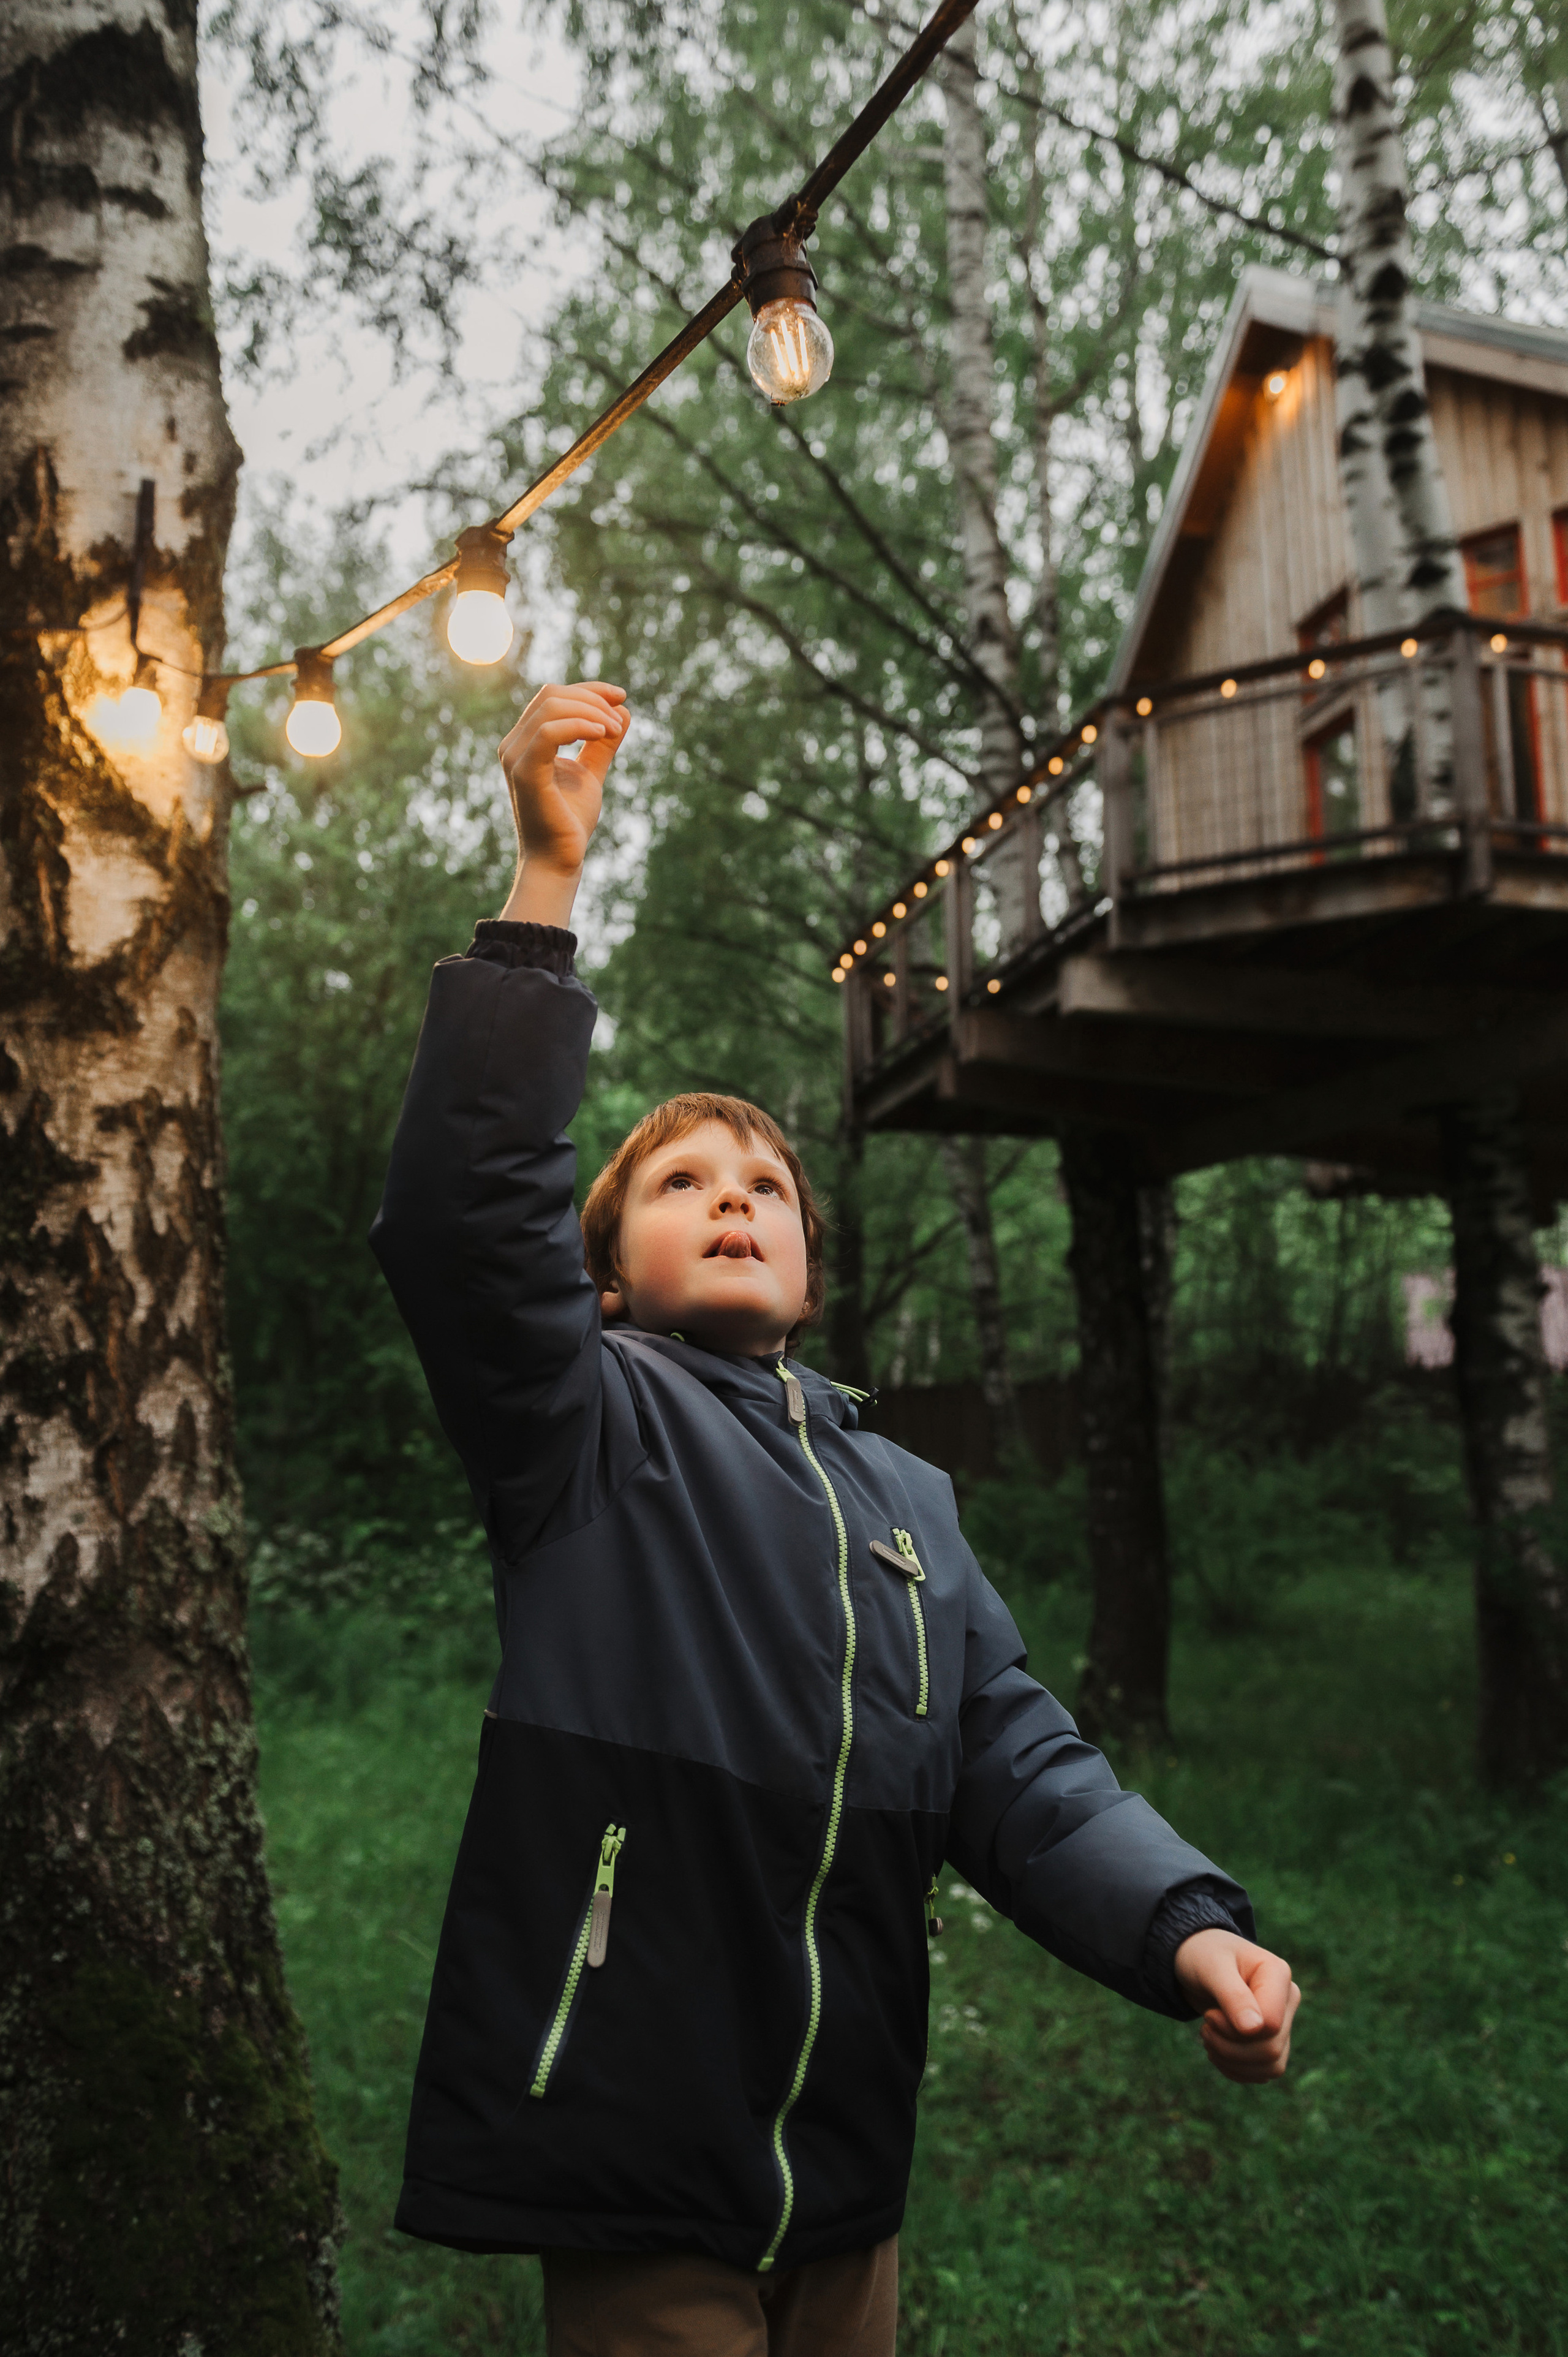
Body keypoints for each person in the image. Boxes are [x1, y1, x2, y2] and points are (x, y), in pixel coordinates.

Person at [371, 679, 1301, 2357]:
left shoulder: (908, 1498)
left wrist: (1189, 1926)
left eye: (766, 1186)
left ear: (807, 1260)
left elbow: (1020, 1770)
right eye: (680, 1181)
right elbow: (457, 1211)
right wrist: (542, 884)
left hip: (848, 2169)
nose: (733, 1193)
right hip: (637, 2141)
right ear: (597, 1282)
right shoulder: (584, 1424)